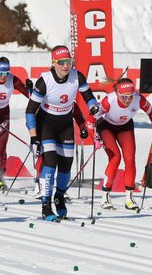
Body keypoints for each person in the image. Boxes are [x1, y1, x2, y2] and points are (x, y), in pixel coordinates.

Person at [25, 45, 101, 221]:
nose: (65, 66)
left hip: (65, 124)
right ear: (53, 63)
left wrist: (93, 107)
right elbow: (30, 111)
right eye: (61, 62)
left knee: (66, 165)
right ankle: (46, 205)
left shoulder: (77, 76)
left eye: (68, 61)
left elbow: (88, 96)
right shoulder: (44, 81)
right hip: (46, 124)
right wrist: (34, 137)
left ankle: (59, 196)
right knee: (50, 162)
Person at [96, 78, 152, 210]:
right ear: (117, 93)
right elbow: (92, 119)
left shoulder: (139, 99)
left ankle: (129, 198)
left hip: (125, 127)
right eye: (123, 97)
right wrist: (95, 137)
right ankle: (105, 197)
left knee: (130, 159)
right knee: (115, 158)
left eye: (130, 96)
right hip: (106, 127)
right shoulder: (109, 100)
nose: (127, 100)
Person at [0, 57, 30, 190]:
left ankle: (0, 177)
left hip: (2, 115)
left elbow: (29, 94)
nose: (3, 77)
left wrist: (31, 90)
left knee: (1, 146)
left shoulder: (12, 79)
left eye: (5, 73)